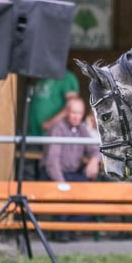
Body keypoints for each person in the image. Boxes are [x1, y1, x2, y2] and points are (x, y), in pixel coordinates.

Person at [40, 96, 101, 241]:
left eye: (79, 113)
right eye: (73, 112)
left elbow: (95, 149)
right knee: (65, 196)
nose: (76, 116)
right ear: (67, 112)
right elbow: (52, 162)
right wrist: (61, 183)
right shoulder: (58, 128)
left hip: (73, 174)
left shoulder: (81, 128)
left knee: (95, 199)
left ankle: (69, 228)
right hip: (53, 175)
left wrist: (94, 159)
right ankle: (63, 232)